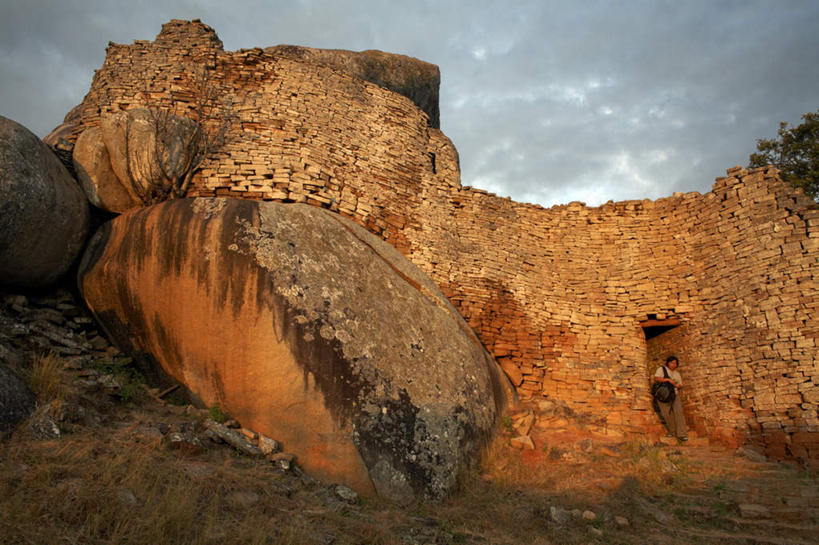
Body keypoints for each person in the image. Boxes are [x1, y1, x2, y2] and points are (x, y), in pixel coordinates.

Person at [654, 355, 688, 441]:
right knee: (667, 414)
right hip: (663, 395)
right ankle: (672, 431)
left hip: (674, 395)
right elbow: (657, 378)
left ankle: (682, 434)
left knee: (679, 413)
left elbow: (680, 384)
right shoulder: (662, 369)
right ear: (668, 363)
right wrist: (668, 380)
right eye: (672, 362)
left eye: (675, 363)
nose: (673, 364)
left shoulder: (677, 374)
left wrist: (677, 385)